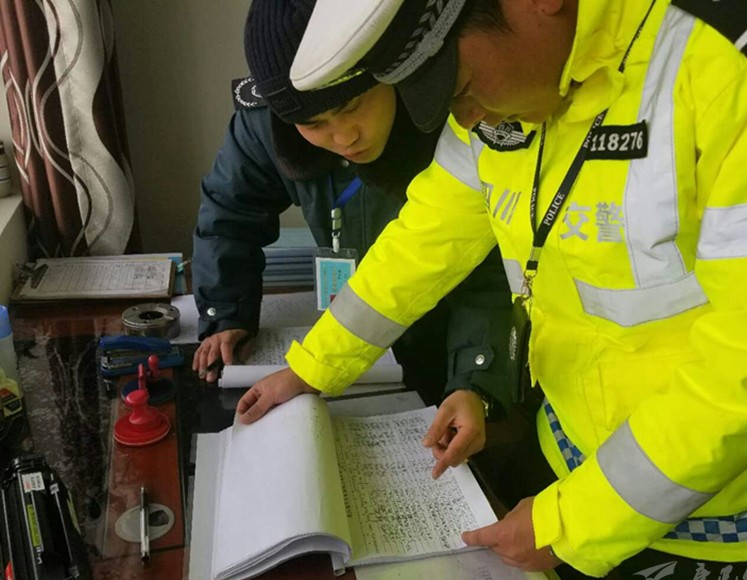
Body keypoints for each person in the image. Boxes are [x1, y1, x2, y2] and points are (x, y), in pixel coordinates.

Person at [237, 0, 747, 580]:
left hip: (737, 504)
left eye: (459, 89)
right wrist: (312, 368)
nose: (464, 118)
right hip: (576, 444)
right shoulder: (501, 76)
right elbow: (426, 236)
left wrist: (575, 521)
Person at [191, 0, 515, 434]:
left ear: (390, 73)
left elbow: (486, 267)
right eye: (314, 124)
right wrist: (227, 313)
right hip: (351, 337)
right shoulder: (266, 121)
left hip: (455, 340)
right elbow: (229, 212)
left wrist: (475, 379)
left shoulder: (455, 114)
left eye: (354, 106)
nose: (345, 137)